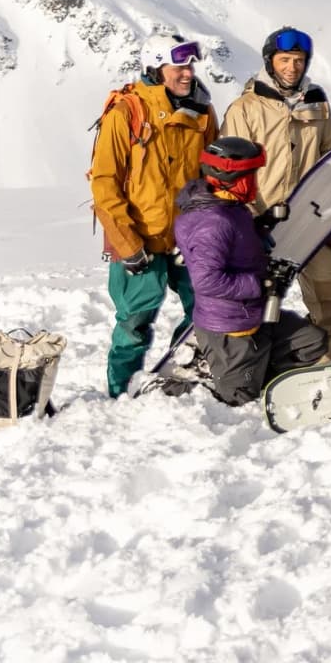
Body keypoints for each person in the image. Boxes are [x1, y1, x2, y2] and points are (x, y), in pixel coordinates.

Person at [91, 34, 220, 397]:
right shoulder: (127, 113)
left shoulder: (203, 112)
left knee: (209, 308)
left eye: (190, 65)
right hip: (140, 239)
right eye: (178, 66)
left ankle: (186, 369)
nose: (187, 73)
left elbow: (212, 175)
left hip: (188, 237)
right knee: (134, 322)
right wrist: (127, 244)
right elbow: (105, 183)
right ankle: (121, 393)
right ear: (155, 67)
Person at [173, 137, 328, 404]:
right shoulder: (212, 222)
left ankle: (254, 375)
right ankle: (188, 382)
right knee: (237, 400)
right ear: (232, 176)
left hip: (255, 314)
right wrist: (260, 283)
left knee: (311, 342)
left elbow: (238, 243)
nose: (255, 181)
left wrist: (263, 224)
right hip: (232, 328)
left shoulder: (229, 207)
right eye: (251, 174)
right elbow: (207, 281)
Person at [219, 26, 331, 351]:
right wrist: (246, 225)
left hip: (312, 219)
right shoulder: (245, 108)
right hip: (262, 223)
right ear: (270, 61)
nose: (292, 67)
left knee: (327, 294)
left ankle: (326, 361)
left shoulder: (318, 106)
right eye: (285, 59)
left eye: (299, 60)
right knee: (254, 300)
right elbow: (230, 175)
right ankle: (248, 367)